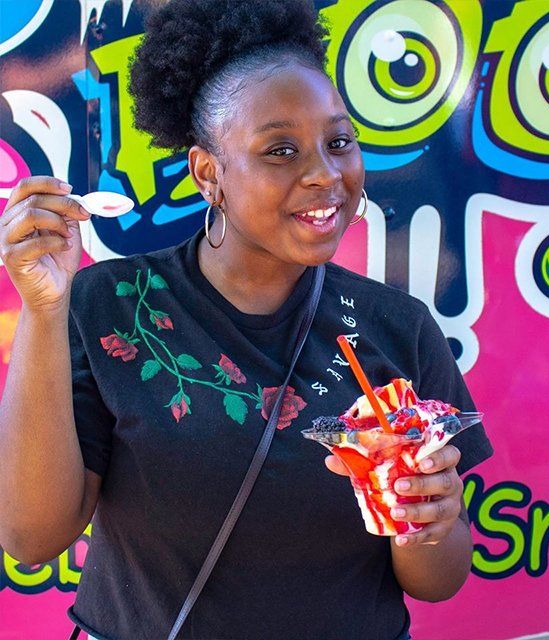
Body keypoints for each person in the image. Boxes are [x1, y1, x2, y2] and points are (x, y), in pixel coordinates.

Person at [0, 1, 493, 638]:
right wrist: (42, 312)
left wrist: (427, 518)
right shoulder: (111, 305)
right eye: (281, 151)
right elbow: (31, 537)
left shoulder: (395, 327)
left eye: (338, 143)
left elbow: (440, 580)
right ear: (210, 174)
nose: (324, 174)